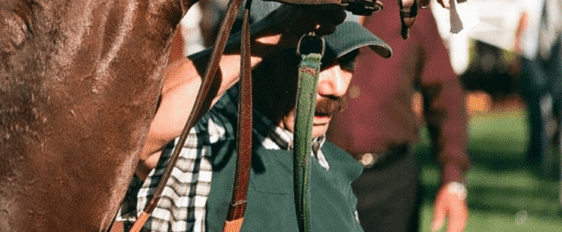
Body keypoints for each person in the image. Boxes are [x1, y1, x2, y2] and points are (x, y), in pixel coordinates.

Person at [117, 12, 390, 231]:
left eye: (348, 62)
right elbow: (135, 133)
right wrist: (265, 36)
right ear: (262, 59)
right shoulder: (208, 142)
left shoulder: (333, 165)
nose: (338, 87)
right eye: (314, 63)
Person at [327, 0, 469, 232]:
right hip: (322, 178)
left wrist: (453, 180)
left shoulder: (408, 8)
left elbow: (446, 95)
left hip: (393, 184)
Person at [512, 0, 562, 173]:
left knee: (538, 103)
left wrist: (517, 44)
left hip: (537, 45)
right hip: (557, 45)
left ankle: (539, 156)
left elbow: (526, 10)